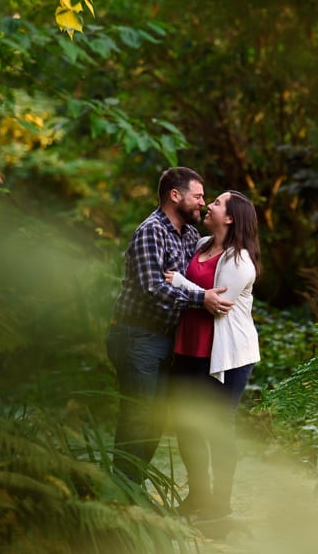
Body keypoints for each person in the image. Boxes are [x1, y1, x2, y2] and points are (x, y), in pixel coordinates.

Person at [106, 167, 234, 484]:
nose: (203, 203)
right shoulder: (151, 231)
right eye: (198, 196)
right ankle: (122, 494)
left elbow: (207, 262)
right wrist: (199, 300)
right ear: (175, 195)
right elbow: (152, 288)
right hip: (137, 336)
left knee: (156, 420)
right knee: (138, 417)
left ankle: (130, 490)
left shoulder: (190, 236)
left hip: (167, 340)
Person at [165, 190, 262, 521]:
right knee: (186, 426)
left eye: (217, 203)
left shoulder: (239, 262)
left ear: (231, 217)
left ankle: (219, 509)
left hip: (226, 356)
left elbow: (217, 305)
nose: (209, 205)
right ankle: (198, 496)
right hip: (188, 348)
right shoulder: (202, 245)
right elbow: (201, 296)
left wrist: (178, 281)